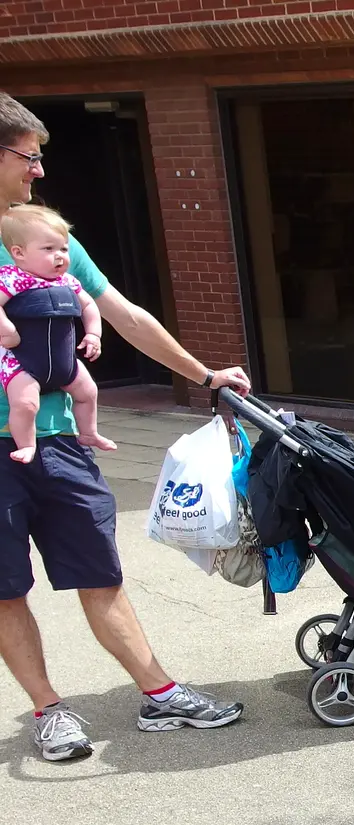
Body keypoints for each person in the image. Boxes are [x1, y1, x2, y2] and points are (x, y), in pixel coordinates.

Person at [0, 93, 250, 760]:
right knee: (4, 587)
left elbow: (125, 315)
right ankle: (49, 709)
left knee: (98, 571)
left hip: (57, 439)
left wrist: (205, 376)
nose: (40, 170)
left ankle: (159, 692)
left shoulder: (50, 240)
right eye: (29, 156)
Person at [1, 204, 115, 463]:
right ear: (18, 253)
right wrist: (6, 329)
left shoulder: (68, 282)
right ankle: (27, 445)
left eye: (63, 248)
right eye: (48, 249)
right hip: (21, 362)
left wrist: (94, 335)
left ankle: (89, 433)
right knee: (26, 404)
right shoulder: (13, 279)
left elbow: (88, 306)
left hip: (64, 361)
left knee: (88, 392)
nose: (60, 256)